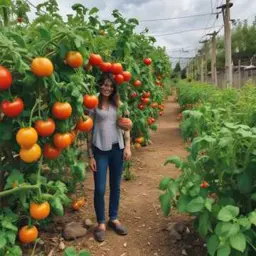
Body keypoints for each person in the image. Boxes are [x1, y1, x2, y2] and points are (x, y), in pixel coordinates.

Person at [86, 73, 132, 242]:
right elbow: (88, 131)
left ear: (114, 89)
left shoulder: (119, 105)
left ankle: (113, 218)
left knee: (115, 186)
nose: (107, 88)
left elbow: (127, 126)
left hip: (117, 150)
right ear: (99, 86)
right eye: (104, 85)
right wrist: (90, 155)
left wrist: (127, 146)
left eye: (110, 86)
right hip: (100, 151)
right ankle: (100, 223)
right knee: (99, 188)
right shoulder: (93, 105)